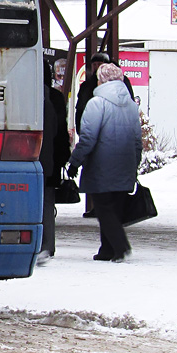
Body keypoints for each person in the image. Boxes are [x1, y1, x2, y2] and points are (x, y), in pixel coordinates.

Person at [66, 62, 143, 262]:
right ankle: (107, 250)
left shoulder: (96, 103)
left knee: (103, 208)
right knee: (114, 208)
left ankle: (120, 246)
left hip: (102, 166)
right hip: (125, 165)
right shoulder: (132, 106)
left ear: (101, 80)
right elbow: (137, 140)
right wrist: (135, 164)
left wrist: (75, 162)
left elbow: (88, 138)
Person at [37, 61, 70, 265]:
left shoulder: (30, 96)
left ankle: (40, 244)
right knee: (48, 203)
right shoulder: (56, 98)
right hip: (51, 159)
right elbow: (61, 132)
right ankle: (48, 245)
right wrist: (63, 158)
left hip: (36, 157)